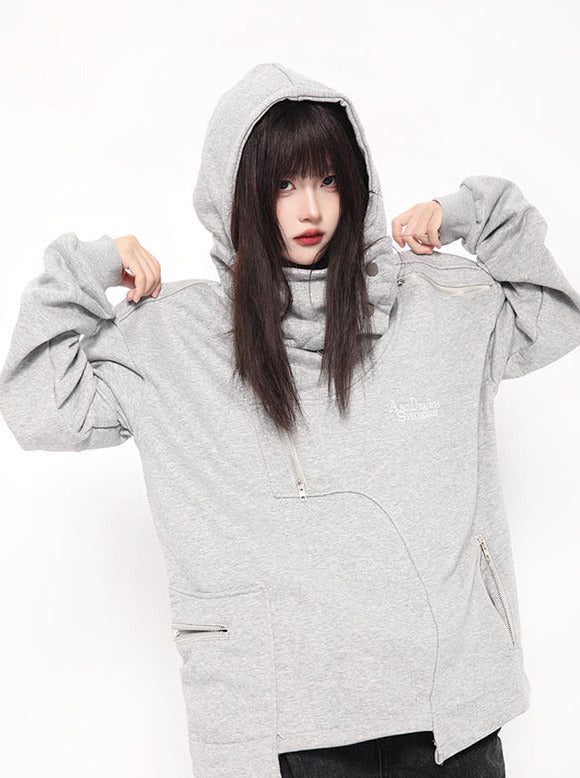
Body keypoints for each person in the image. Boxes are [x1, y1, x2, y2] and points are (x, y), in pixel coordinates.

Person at [0, 62, 579, 778]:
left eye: (329, 180)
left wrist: (469, 211)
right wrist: (86, 269)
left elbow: (553, 317)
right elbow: (38, 408)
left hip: (449, 721)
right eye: (283, 184)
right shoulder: (176, 340)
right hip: (281, 736)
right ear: (239, 195)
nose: (311, 209)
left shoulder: (436, 308)